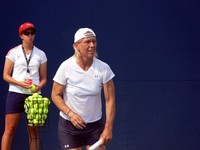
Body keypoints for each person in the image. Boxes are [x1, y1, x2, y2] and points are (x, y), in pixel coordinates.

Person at [51, 28, 116, 150]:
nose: (92, 45)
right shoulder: (66, 67)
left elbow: (110, 99)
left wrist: (108, 128)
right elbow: (55, 95)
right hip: (69, 126)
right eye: (87, 42)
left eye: (94, 41)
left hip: (94, 127)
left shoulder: (103, 68)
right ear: (76, 45)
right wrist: (71, 114)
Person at [1, 22, 47, 150]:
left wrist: (39, 87)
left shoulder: (41, 54)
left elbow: (44, 78)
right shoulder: (13, 52)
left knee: (34, 132)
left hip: (34, 95)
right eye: (27, 33)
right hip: (16, 92)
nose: (30, 36)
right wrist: (20, 83)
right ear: (21, 35)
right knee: (10, 129)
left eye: (32, 33)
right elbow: (5, 75)